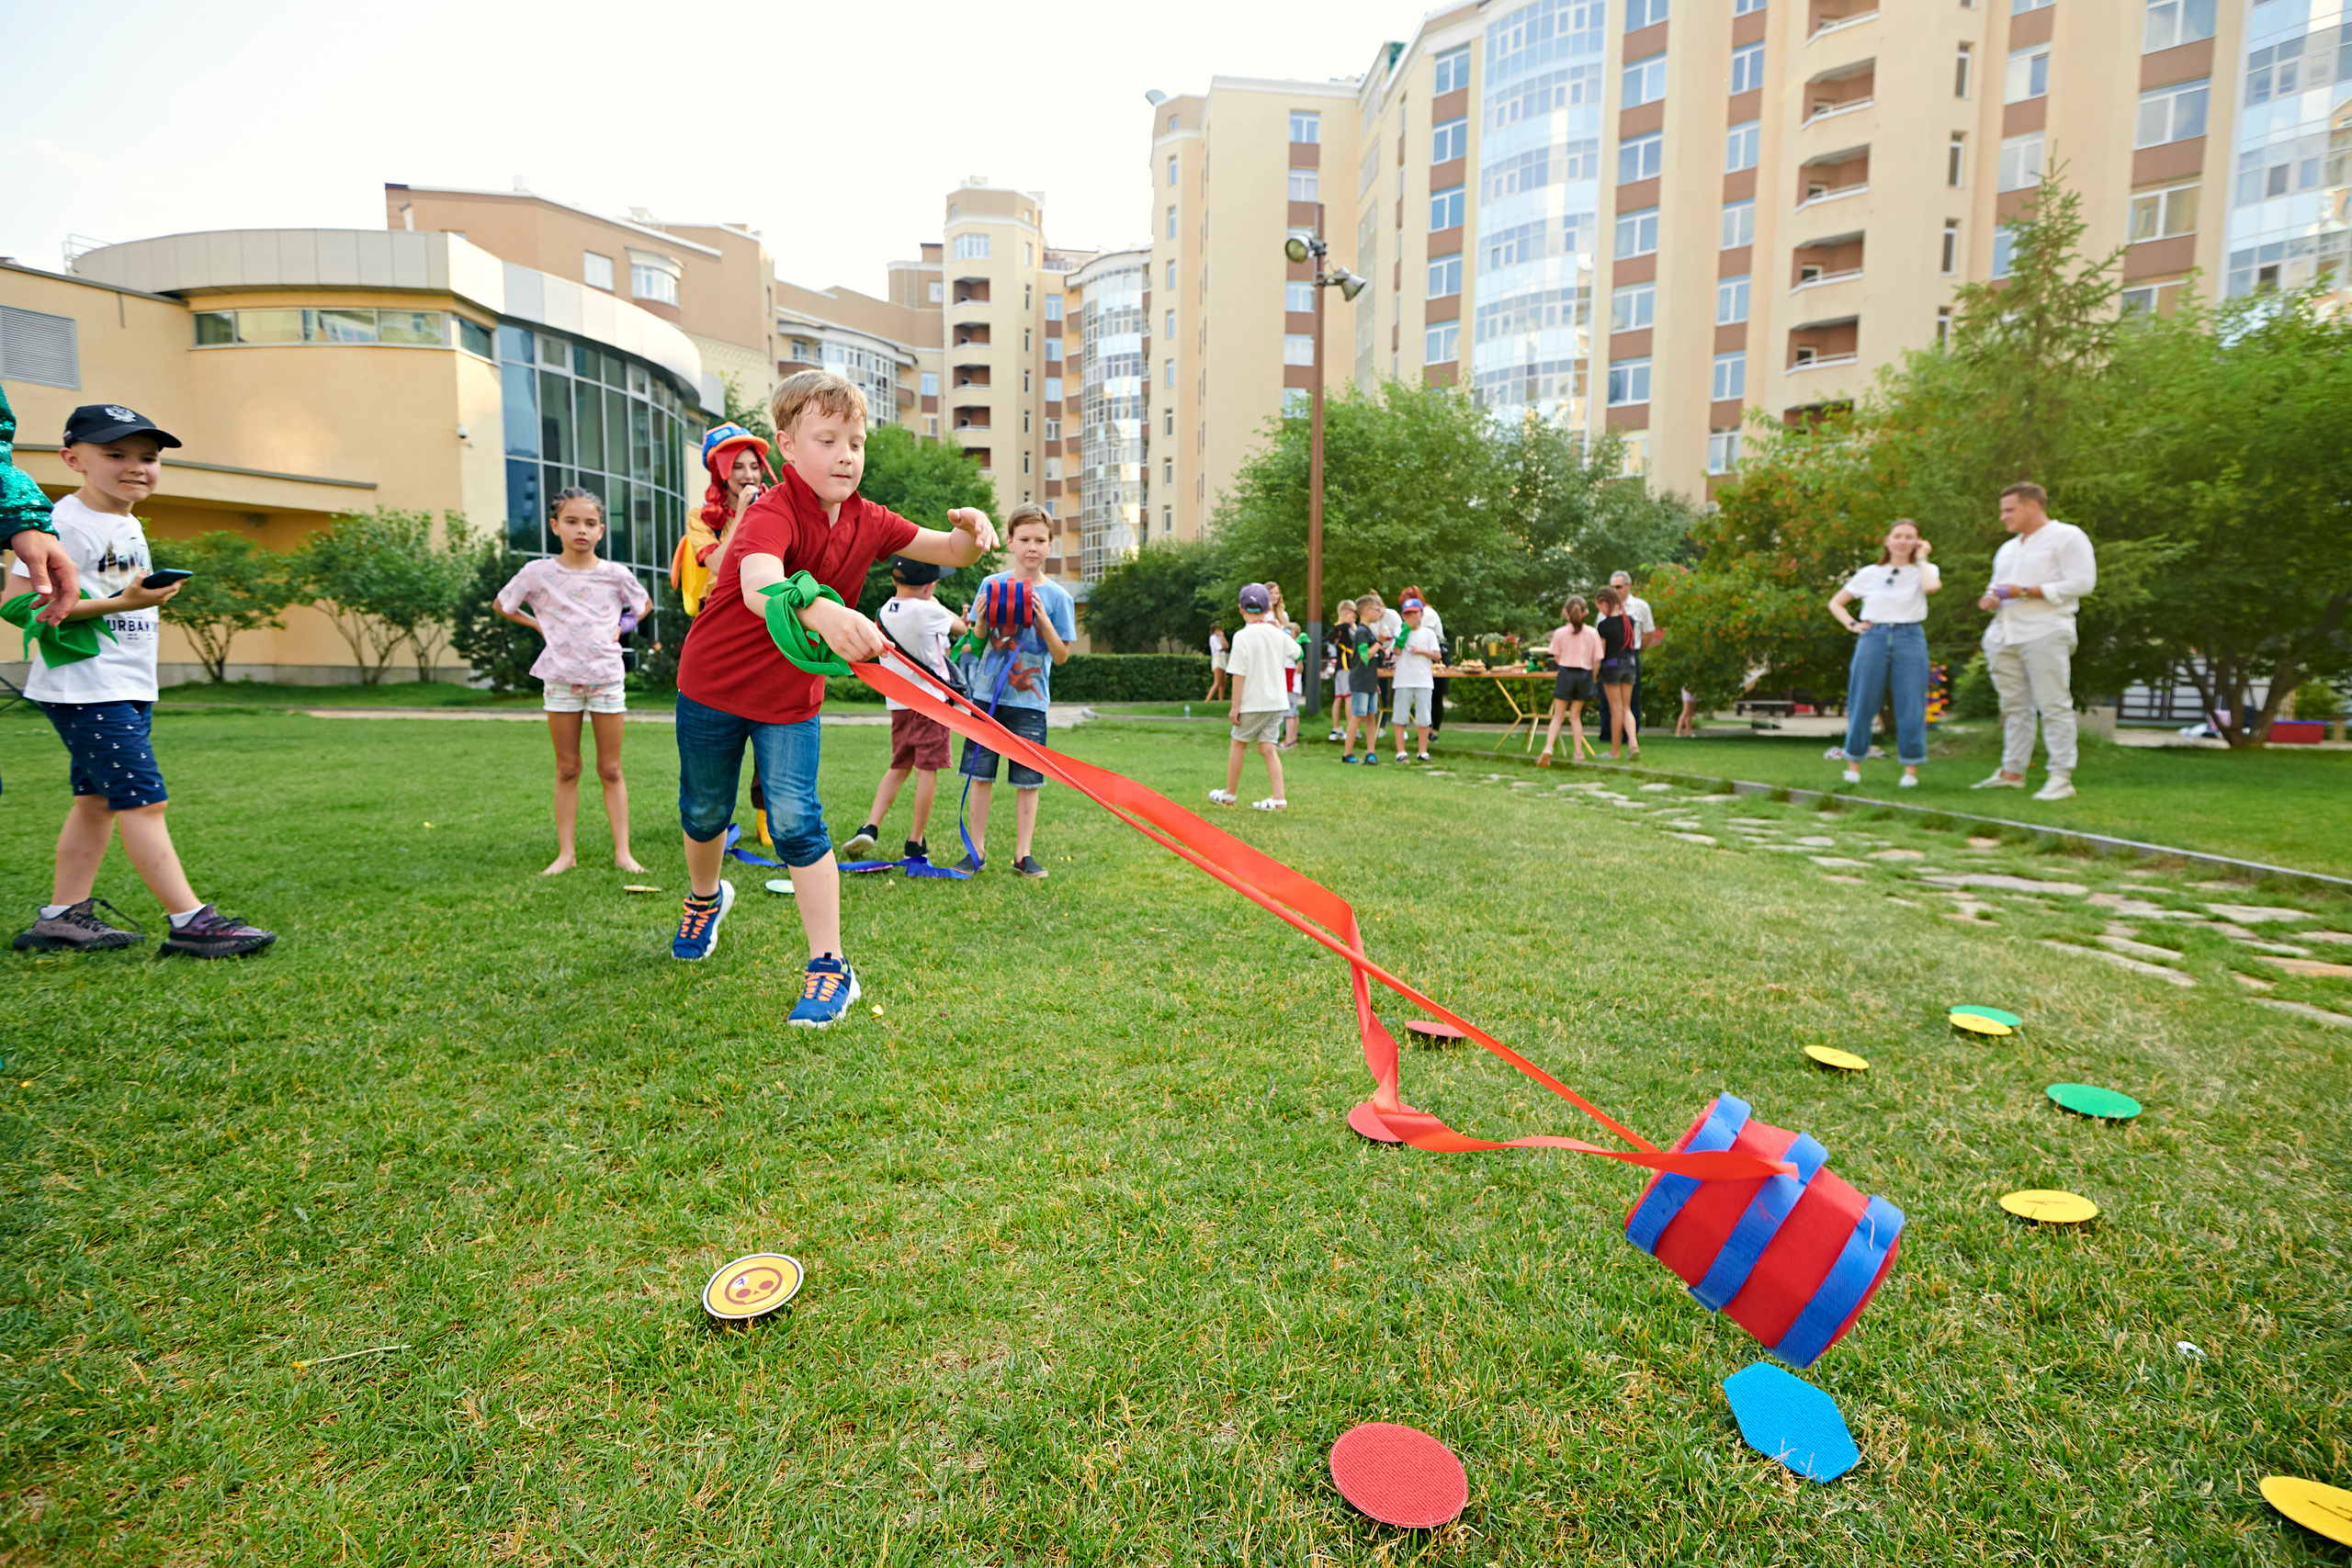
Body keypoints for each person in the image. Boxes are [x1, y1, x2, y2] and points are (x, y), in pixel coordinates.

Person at [669, 370, 998, 1025]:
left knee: (796, 820)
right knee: (705, 811)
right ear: (787, 446)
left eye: (856, 440)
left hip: (790, 696)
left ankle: (830, 966)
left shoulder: (870, 519)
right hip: (712, 683)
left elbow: (950, 551)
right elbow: (761, 582)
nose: (847, 454)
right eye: (828, 439)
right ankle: (706, 898)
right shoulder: (770, 511)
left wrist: (972, 530)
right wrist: (816, 605)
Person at [9, 404, 274, 957]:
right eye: (115, 455)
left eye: (148, 458)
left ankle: (62, 917)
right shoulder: (61, 521)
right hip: (86, 685)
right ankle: (190, 922)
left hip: (124, 684)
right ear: (71, 458)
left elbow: (112, 603)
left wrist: (135, 602)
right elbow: (19, 604)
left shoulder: (126, 521)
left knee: (97, 802)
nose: (137, 467)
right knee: (142, 801)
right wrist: (122, 601)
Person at [495, 488, 654, 874]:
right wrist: (539, 625)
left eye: (589, 523)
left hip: (606, 679)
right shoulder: (538, 573)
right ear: (555, 526)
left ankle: (624, 854)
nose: (580, 529)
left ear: (601, 530)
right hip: (561, 680)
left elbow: (644, 604)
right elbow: (503, 604)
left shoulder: (615, 574)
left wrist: (623, 627)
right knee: (567, 767)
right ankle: (566, 854)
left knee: (611, 768)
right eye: (571, 521)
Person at [955, 503, 1075, 877]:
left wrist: (1041, 620)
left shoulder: (1058, 598)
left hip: (1030, 702)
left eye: (1040, 540)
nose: (1032, 548)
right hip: (987, 696)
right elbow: (975, 645)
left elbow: (1062, 654)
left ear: (1051, 545)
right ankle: (976, 850)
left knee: (1028, 780)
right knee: (981, 775)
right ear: (1009, 541)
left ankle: (1023, 854)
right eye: (1024, 539)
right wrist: (981, 619)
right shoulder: (991, 585)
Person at [1973, 480, 2098, 802]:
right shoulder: (2008, 548)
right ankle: (2012, 773)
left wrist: (2025, 591)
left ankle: (2060, 776)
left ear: (2033, 505)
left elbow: (2083, 583)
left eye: (2009, 510)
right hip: (2004, 635)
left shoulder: (2067, 536)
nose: (2003, 517)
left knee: (2053, 704)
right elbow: (1997, 587)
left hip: (2045, 631)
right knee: (2013, 707)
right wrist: (1990, 598)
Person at [841, 557, 967, 864]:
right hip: (931, 703)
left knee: (899, 766)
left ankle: (870, 825)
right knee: (927, 772)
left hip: (899, 703)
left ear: (895, 580)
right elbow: (961, 627)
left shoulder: (882, 613)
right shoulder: (930, 609)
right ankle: (915, 840)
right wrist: (940, 604)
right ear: (930, 585)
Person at [1829, 518, 1941, 789]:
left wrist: (1923, 558)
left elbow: (1931, 588)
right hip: (1873, 637)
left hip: (1910, 637)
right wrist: (1853, 624)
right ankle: (1853, 765)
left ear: (1918, 542)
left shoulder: (1925, 570)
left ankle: (1910, 771)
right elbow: (1836, 602)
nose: (1904, 541)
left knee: (1911, 704)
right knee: (1862, 701)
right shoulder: (1869, 573)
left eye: (1910, 537)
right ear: (1887, 541)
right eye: (1898, 536)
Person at [676, 423, 771, 615]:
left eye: (754, 467)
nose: (749, 475)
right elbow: (718, 566)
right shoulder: (701, 516)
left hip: (763, 612)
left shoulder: (773, 509)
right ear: (721, 472)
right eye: (737, 467)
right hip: (720, 613)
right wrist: (743, 513)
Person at [1211, 582, 1289, 808]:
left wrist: (1235, 707)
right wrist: (1281, 631)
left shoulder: (1242, 637)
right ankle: (1278, 798)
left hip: (1253, 703)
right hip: (1277, 703)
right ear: (1267, 608)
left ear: (1241, 608)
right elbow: (1298, 651)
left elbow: (1238, 674)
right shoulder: (1277, 633)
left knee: (1238, 743)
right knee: (1268, 748)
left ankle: (1229, 794)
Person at [1539, 595, 1603, 766]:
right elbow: (1597, 660)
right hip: (1584, 674)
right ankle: (1578, 752)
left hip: (1566, 672)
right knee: (1575, 717)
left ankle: (1548, 748)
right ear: (1586, 612)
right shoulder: (1592, 633)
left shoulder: (1559, 633)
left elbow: (1557, 658)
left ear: (1564, 613)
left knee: (1558, 716)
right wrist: (1593, 678)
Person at [1603, 570, 1657, 744]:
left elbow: (1649, 633)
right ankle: (1607, 736)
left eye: (1618, 586)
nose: (1615, 590)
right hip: (1610, 656)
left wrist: (1636, 650)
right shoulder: (1606, 607)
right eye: (1612, 587)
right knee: (1608, 700)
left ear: (1628, 586)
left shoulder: (1640, 606)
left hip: (1630, 654)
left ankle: (1629, 738)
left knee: (1631, 700)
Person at [1390, 595, 1441, 762]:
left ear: (1421, 614)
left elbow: (1437, 656)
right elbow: (1396, 651)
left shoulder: (1428, 633)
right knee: (1400, 717)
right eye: (1408, 613)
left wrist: (1421, 651)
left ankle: (1422, 751)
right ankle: (1401, 752)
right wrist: (1405, 631)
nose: (1413, 616)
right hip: (1403, 680)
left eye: (1416, 612)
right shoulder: (1400, 631)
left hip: (1423, 680)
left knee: (1424, 718)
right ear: (1404, 615)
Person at [1595, 585, 1641, 761]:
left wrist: (1595, 673)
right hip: (1630, 665)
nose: (1600, 610)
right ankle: (1633, 744)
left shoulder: (1604, 625)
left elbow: (1601, 653)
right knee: (1627, 707)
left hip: (1612, 666)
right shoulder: (1630, 620)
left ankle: (1615, 751)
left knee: (1616, 710)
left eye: (1599, 606)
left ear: (1605, 603)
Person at [1337, 594, 1385, 765]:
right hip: (1360, 681)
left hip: (1370, 681)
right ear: (1366, 610)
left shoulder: (1368, 631)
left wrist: (1375, 682)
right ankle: (1347, 753)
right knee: (1358, 716)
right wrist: (1380, 642)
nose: (1380, 613)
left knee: (1371, 716)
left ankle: (1370, 753)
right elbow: (1365, 657)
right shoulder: (1362, 632)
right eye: (1377, 609)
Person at [1399, 584, 1447, 734]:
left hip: (1436, 653)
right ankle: (1423, 732)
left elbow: (1415, 632)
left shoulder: (1427, 613)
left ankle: (1434, 732)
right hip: (1418, 654)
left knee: (1435, 695)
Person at [1325, 600, 1356, 741]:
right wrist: (1354, 627)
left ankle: (1336, 728)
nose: (1354, 620)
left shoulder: (1335, 629)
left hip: (1338, 667)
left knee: (1338, 698)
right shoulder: (1346, 627)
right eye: (1353, 616)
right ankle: (1351, 728)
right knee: (1349, 696)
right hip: (1346, 666)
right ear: (1345, 613)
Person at [1205, 621, 1228, 701]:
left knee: (1223, 682)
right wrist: (1221, 637)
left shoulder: (1220, 637)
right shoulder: (1213, 638)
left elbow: (1226, 646)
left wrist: (1222, 637)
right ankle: (1207, 700)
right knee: (1217, 682)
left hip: (1222, 659)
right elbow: (1221, 648)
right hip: (1217, 659)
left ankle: (1221, 699)